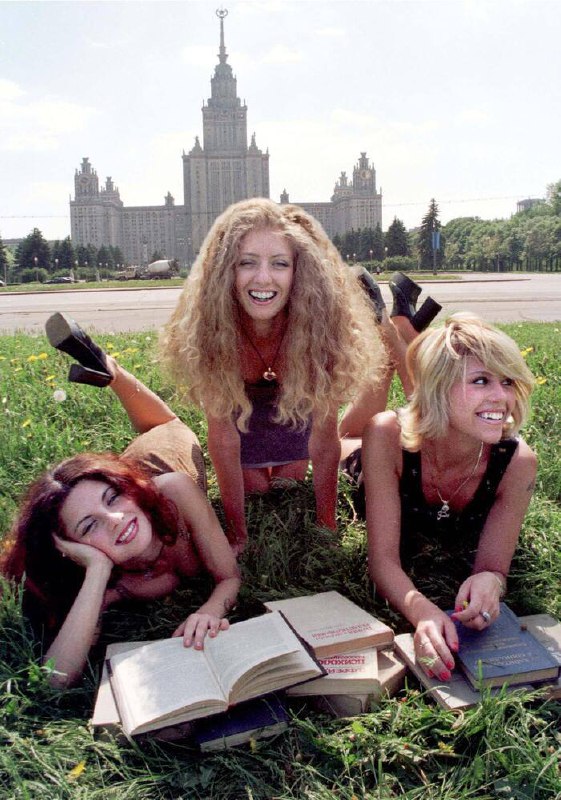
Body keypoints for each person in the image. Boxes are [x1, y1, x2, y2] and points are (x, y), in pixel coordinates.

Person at [1, 313, 241, 688]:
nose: (114, 518)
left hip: (163, 455)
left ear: (124, 490)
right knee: (151, 429)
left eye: (111, 498)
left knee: (167, 424)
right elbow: (55, 678)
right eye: (89, 525)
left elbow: (229, 577)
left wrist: (210, 609)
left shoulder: (175, 492)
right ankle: (102, 366)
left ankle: (109, 368)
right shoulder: (107, 577)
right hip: (129, 479)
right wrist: (97, 571)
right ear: (71, 548)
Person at [161, 198, 391, 554]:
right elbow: (223, 437)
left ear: (300, 270)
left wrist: (327, 523)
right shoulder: (212, 330)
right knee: (256, 491)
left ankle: (388, 320)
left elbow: (323, 436)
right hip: (244, 420)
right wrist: (237, 533)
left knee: (288, 485)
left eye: (280, 263)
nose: (263, 278)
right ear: (226, 270)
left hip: (293, 413)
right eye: (247, 262)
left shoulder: (321, 327)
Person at [362, 313, 536, 682]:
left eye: (507, 381)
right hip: (373, 457)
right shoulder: (386, 436)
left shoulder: (517, 463)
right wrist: (423, 612)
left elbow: (495, 568)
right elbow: (382, 561)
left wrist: (490, 582)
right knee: (347, 437)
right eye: (480, 381)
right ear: (439, 387)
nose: (501, 397)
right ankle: (391, 333)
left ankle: (401, 329)